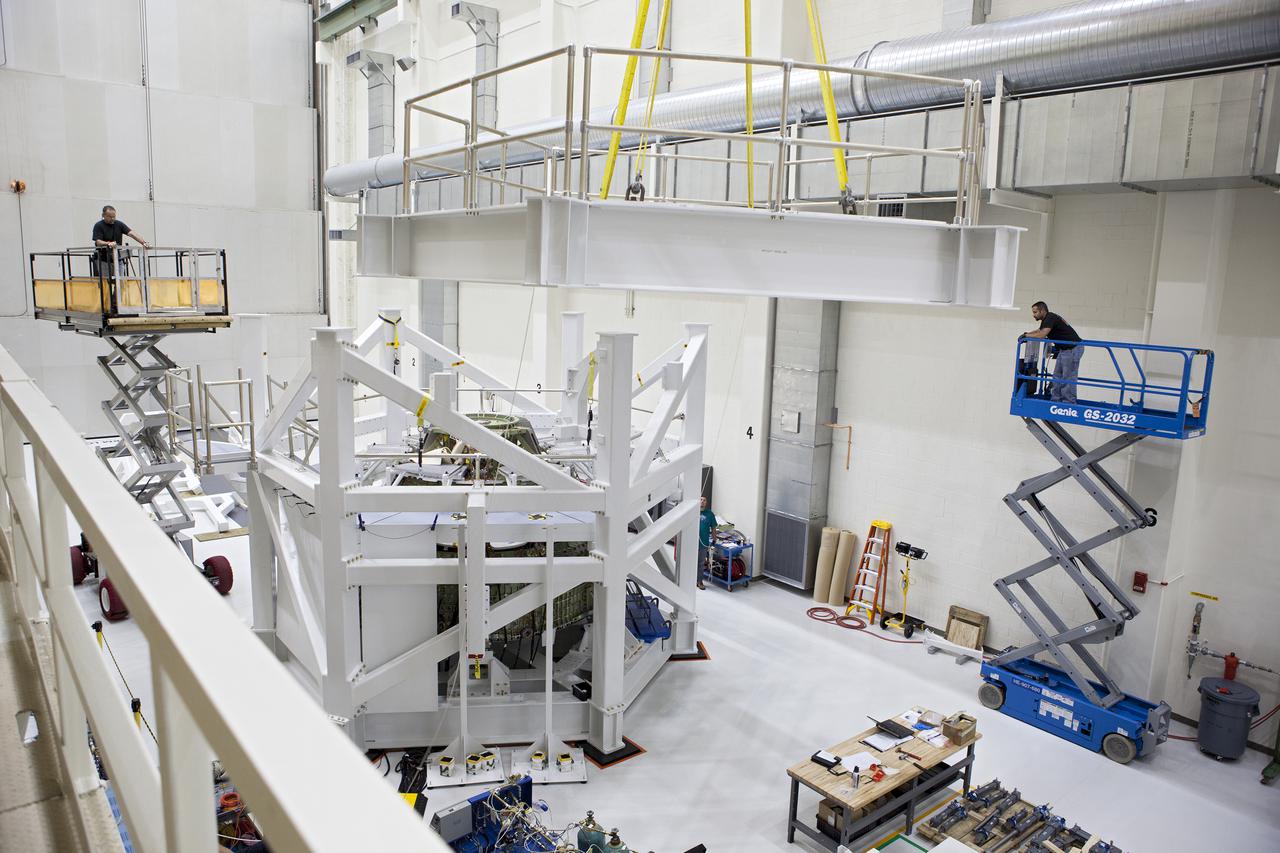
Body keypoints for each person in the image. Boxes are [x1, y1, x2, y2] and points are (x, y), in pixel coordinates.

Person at [1023, 301, 1083, 403]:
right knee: (1057, 376)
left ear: (1042, 310)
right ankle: (1056, 400)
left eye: (1035, 312)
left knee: (1067, 377)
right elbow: (1039, 331)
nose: (1033, 315)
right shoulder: (1047, 319)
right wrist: (1026, 334)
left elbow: (1042, 335)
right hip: (1064, 350)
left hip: (1073, 349)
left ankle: (1068, 402)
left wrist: (1027, 336)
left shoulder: (1050, 318)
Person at [92, 205, 150, 276]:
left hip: (118, 258)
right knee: (106, 283)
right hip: (103, 260)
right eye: (110, 217)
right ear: (103, 215)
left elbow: (131, 233)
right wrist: (108, 243)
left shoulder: (119, 224)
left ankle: (120, 287)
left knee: (121, 281)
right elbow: (98, 242)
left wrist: (143, 242)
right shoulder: (98, 225)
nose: (112, 218)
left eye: (114, 216)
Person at [696, 495, 717, 591]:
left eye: (704, 500)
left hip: (703, 543)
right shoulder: (693, 511)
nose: (702, 501)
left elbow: (713, 528)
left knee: (700, 563)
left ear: (706, 503)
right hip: (691, 542)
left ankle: (699, 581)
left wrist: (714, 540)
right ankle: (687, 581)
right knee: (690, 562)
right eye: (700, 499)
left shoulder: (710, 514)